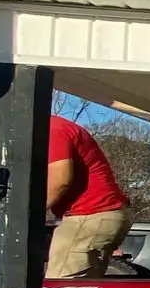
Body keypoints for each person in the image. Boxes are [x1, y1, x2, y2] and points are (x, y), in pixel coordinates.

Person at [45, 115, 132, 277]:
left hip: (90, 215)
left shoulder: (52, 129)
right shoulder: (58, 126)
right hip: (105, 214)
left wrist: (27, 214)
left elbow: (60, 179)